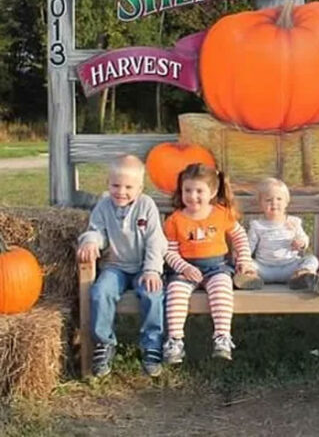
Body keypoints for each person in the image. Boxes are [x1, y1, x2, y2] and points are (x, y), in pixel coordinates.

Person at [76, 154, 167, 378]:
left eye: (128, 187)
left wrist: (152, 269)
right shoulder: (104, 205)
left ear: (140, 188)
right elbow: (97, 230)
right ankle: (104, 343)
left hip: (143, 267)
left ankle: (151, 345)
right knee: (100, 292)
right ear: (108, 183)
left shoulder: (147, 205)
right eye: (115, 185)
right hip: (115, 266)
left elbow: (156, 240)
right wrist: (90, 241)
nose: (121, 191)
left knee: (153, 293)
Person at [162, 163, 262, 363]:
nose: (192, 196)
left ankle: (222, 337)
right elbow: (168, 252)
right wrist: (185, 267)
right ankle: (175, 341)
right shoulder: (175, 220)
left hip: (216, 268)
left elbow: (239, 236)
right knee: (175, 292)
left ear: (213, 191)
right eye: (187, 190)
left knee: (222, 289)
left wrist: (243, 258)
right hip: (185, 269)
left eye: (199, 191)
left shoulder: (221, 213)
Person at [248, 177, 319, 289]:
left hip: (290, 268)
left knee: (312, 259)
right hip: (264, 269)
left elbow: (304, 238)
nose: (274, 203)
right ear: (261, 204)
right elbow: (248, 247)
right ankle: (251, 278)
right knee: (247, 263)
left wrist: (301, 243)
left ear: (286, 202)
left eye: (279, 199)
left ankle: (302, 275)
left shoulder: (293, 222)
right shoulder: (257, 225)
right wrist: (244, 261)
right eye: (268, 200)